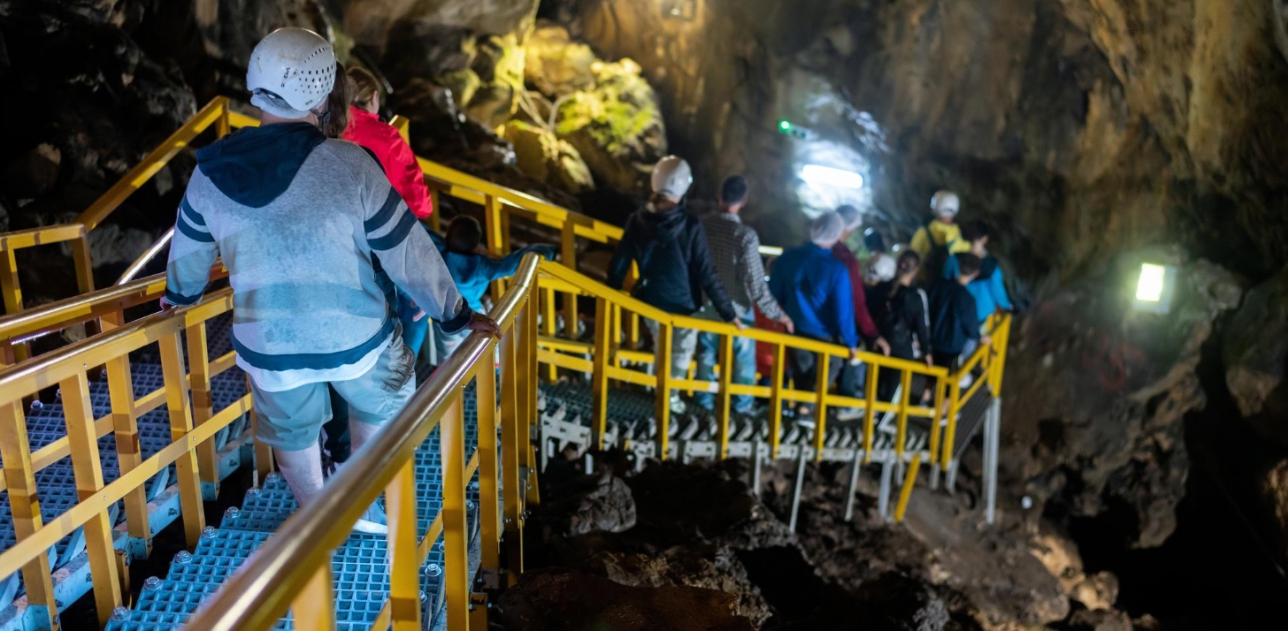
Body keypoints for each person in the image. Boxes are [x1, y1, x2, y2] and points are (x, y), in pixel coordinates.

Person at [163, 28, 499, 534]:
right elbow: (408, 250)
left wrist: (179, 298)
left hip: (267, 344)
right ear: (323, 91)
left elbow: (186, 257)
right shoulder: (349, 163)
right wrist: (455, 312)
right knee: (385, 391)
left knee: (290, 427)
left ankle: (317, 520)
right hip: (354, 336)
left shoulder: (210, 172)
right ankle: (358, 498)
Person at [607, 156, 740, 413]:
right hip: (684, 305)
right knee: (680, 352)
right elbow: (706, 272)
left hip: (651, 301)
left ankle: (661, 391)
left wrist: (609, 293)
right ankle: (670, 397)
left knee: (661, 347)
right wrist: (728, 312)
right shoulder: (690, 224)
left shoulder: (637, 219)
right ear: (684, 186)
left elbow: (619, 263)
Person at [343, 66, 433, 360]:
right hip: (383, 247)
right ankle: (404, 372)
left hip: (339, 245)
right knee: (419, 309)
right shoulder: (387, 138)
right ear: (375, 98)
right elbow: (420, 204)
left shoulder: (327, 132)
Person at [693, 175, 793, 415]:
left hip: (704, 305)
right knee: (743, 359)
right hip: (737, 311)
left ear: (719, 195)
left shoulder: (701, 226)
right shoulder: (745, 235)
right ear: (744, 200)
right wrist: (780, 316)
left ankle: (702, 402)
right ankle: (741, 405)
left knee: (705, 353)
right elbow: (757, 285)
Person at [429, 215, 555, 364]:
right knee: (487, 347)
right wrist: (547, 251)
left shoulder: (438, 255)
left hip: (445, 312)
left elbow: (423, 231)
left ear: (447, 237)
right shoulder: (482, 266)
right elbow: (510, 264)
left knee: (448, 360)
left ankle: (449, 382)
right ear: (476, 245)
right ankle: (492, 375)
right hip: (474, 313)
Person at [768, 212, 860, 415]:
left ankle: (800, 417)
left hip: (795, 329)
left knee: (802, 378)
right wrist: (851, 342)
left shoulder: (788, 258)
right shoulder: (837, 270)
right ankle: (805, 414)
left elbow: (774, 293)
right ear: (837, 235)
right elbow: (843, 313)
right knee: (825, 372)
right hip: (824, 338)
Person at [868, 251, 933, 401]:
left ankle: (871, 417)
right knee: (892, 392)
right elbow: (921, 327)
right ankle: (880, 422)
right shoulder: (915, 297)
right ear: (916, 270)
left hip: (879, 344)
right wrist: (926, 351)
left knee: (875, 385)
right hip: (902, 350)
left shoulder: (882, 288)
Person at [927, 252, 989, 371]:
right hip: (952, 345)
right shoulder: (968, 299)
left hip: (933, 338)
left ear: (959, 265)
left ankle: (927, 389)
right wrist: (979, 337)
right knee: (947, 375)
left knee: (931, 368)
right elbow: (970, 326)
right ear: (975, 273)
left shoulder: (939, 285)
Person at [943, 221, 1013, 325]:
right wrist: (1007, 305)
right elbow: (997, 290)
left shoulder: (954, 258)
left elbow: (945, 279)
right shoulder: (992, 266)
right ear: (985, 238)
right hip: (980, 312)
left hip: (955, 307)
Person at [910, 190, 971, 280]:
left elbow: (911, 256)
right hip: (946, 286)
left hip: (925, 281)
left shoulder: (923, 233)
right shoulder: (956, 234)